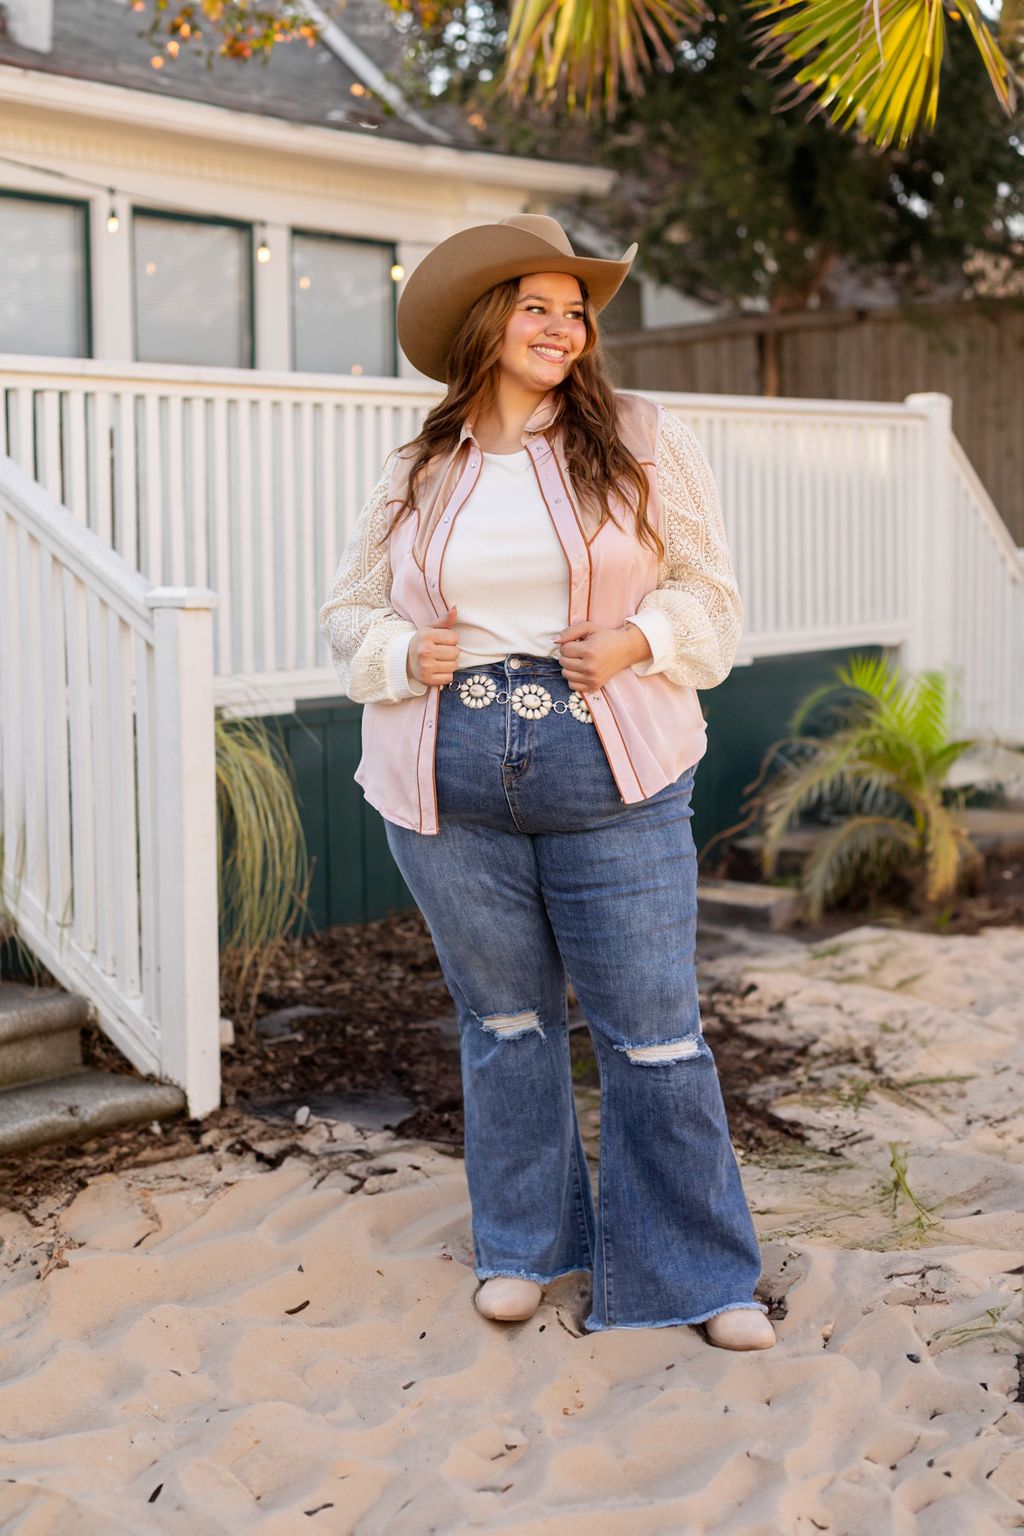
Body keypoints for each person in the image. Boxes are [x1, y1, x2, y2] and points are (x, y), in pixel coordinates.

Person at [319, 214, 775, 1351]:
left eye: (576, 313)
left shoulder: (642, 438)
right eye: (538, 307)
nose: (564, 329)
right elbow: (349, 609)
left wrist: (638, 639)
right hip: (445, 777)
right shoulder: (421, 466)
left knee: (655, 1035)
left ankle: (699, 1275)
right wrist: (397, 653)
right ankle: (526, 1247)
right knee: (507, 1024)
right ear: (487, 322)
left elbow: (713, 596)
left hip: (612, 766)